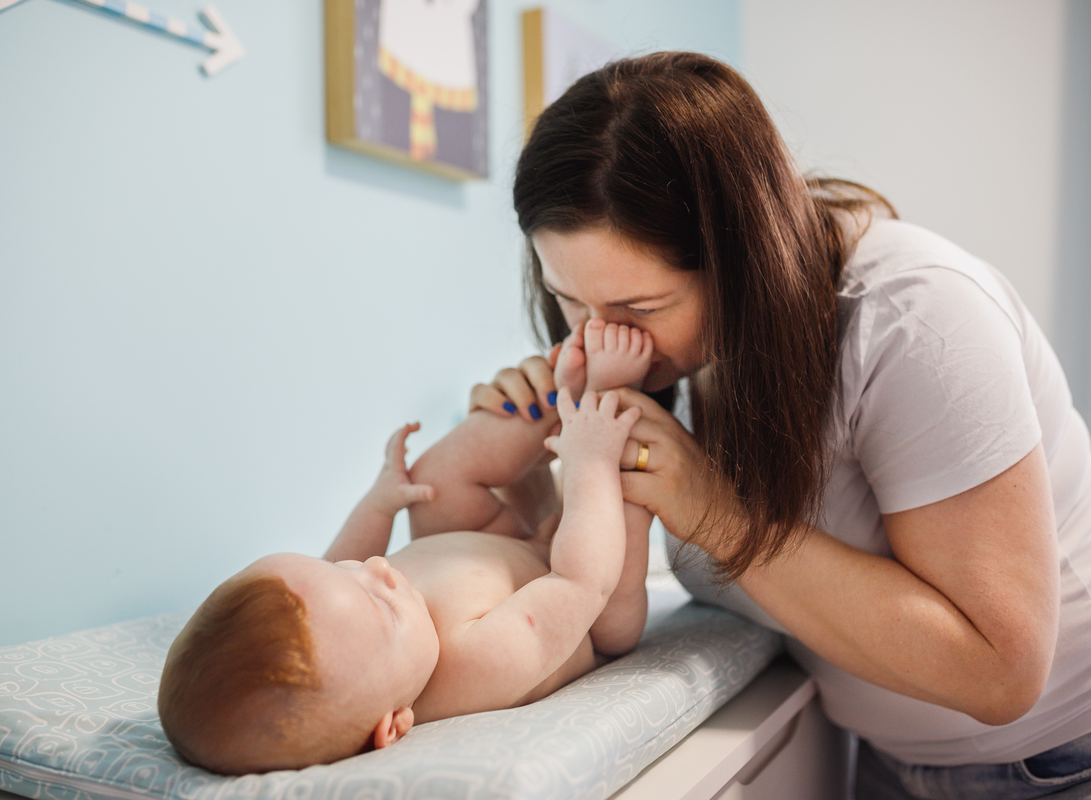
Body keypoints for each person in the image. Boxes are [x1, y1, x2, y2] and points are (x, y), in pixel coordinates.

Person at [471, 51, 1091, 799]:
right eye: (568, 298)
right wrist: (540, 471)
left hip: (1053, 763)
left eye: (639, 310)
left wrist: (716, 513)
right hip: (886, 757)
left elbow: (1002, 671)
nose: (596, 336)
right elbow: (592, 592)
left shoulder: (914, 320)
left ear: (741, 260)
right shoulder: (677, 356)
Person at [156, 326, 655, 775]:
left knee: (432, 481)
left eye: (348, 572)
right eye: (381, 606)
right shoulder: (473, 666)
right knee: (622, 494)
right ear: (391, 726)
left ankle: (555, 402)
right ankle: (606, 397)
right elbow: (581, 581)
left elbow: (340, 560)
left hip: (500, 542)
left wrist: (378, 506)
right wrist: (588, 464)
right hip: (586, 599)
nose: (379, 569)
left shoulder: (347, 629)